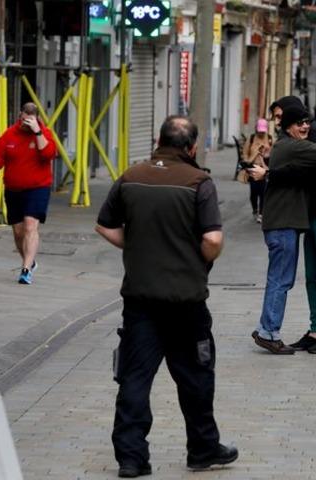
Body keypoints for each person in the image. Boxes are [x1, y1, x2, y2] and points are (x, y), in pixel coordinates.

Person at [95, 116, 237, 477]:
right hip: (185, 301)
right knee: (196, 376)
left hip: (140, 298)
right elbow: (213, 239)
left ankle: (131, 457)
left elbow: (104, 225)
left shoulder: (131, 176)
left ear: (158, 139)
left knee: (134, 377)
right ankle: (203, 450)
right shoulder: (198, 182)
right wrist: (197, 258)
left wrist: (139, 246)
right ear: (191, 148)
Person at [248, 105, 316, 354]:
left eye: (304, 121)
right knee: (308, 278)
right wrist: (271, 172)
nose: (303, 126)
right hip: (303, 219)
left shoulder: (310, 137)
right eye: (298, 123)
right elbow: (295, 170)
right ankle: (314, 331)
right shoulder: (291, 143)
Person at [0, 102, 57, 285]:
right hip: (13, 189)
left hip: (38, 188)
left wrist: (38, 132)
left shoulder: (44, 133)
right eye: (24, 120)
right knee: (18, 232)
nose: (26, 124)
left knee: (30, 226)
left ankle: (26, 270)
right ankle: (30, 260)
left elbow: (48, 154)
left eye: (30, 120)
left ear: (36, 119)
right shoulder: (10, 134)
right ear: (20, 116)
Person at [239, 118, 272, 223]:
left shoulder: (270, 139)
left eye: (263, 131)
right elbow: (245, 153)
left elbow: (273, 153)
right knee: (254, 191)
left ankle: (261, 214)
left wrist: (266, 151)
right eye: (260, 131)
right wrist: (247, 161)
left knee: (263, 192)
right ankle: (255, 210)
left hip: (264, 168)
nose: (261, 133)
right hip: (253, 167)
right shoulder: (252, 138)